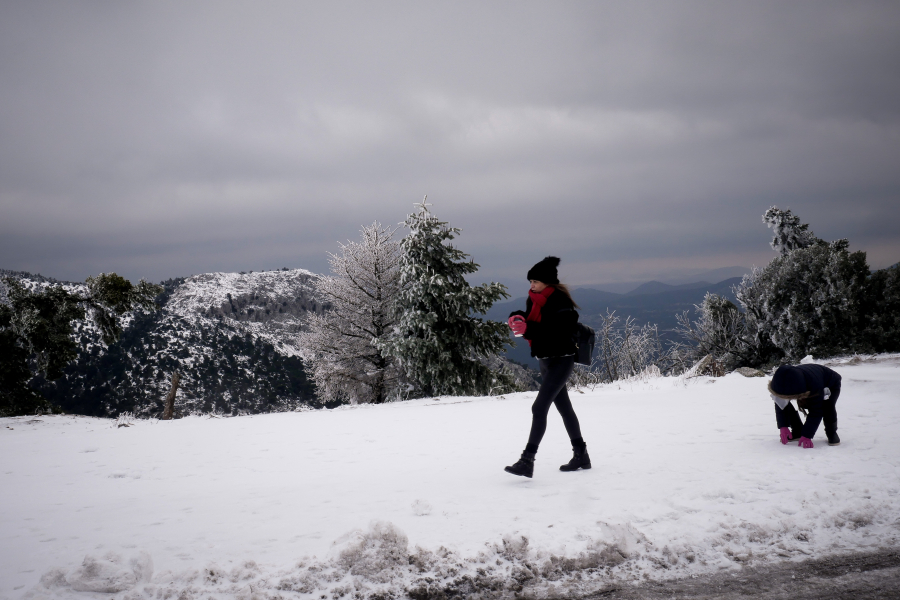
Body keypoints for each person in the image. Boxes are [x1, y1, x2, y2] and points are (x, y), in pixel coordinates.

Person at [504, 256, 589, 478]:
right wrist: (517, 317)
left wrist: (528, 329)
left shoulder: (561, 302)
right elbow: (533, 321)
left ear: (548, 283)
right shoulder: (533, 299)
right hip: (545, 359)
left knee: (539, 408)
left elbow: (557, 331)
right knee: (564, 408)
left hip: (562, 358)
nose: (531, 286)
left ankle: (527, 460)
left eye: (535, 282)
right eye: (530, 281)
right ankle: (582, 455)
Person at [768, 363, 842, 448]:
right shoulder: (780, 383)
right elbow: (780, 404)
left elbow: (816, 410)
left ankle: (831, 433)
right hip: (804, 382)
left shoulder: (814, 385)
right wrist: (783, 426)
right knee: (784, 404)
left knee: (827, 407)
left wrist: (807, 435)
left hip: (830, 383)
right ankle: (797, 431)